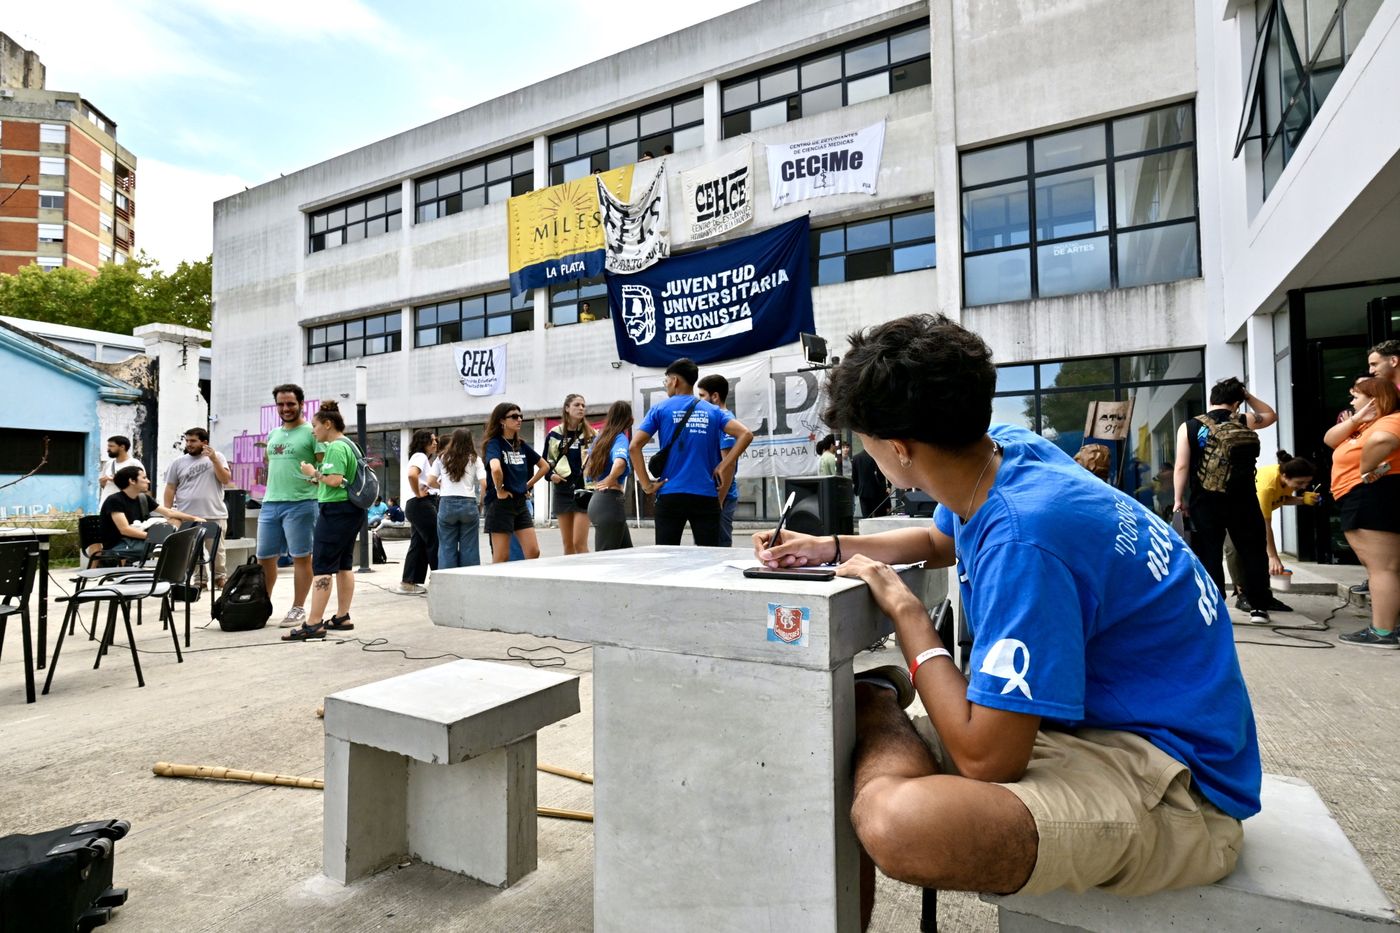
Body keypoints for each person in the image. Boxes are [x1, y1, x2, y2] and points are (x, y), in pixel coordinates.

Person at [754, 314, 1259, 922]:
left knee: (896, 823)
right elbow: (943, 541)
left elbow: (989, 762)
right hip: (1109, 726)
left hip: (1177, 783)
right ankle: (880, 717)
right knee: (851, 725)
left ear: (897, 449)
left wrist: (908, 614)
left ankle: (884, 734)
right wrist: (834, 546)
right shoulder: (1008, 452)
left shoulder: (1025, 540)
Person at [1172, 377, 1277, 625]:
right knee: (1252, 551)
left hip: (1205, 500)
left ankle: (1214, 606)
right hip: (1244, 498)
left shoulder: (1190, 426)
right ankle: (1258, 607)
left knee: (1210, 552)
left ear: (1211, 399)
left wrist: (1178, 499)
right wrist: (1247, 396)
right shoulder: (1243, 420)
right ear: (1237, 402)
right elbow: (1269, 415)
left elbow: (1182, 466)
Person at [630, 358, 753, 547]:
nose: (666, 386)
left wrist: (646, 485)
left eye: (666, 381)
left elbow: (634, 446)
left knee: (666, 556)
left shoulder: (660, 409)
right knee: (709, 558)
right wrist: (724, 465)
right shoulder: (713, 411)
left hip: (670, 493)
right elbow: (746, 434)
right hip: (706, 494)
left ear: (675, 381)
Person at [1324, 377, 1400, 648]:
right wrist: (1357, 419)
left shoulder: (1390, 421)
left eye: (1356, 396)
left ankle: (1383, 632)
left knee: (1382, 568)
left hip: (1371, 497)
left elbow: (1382, 440)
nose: (1352, 402)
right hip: (1363, 497)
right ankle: (1388, 626)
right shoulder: (1366, 423)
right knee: (1381, 568)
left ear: (1374, 399)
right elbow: (1330, 439)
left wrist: (1365, 469)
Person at [283, 401, 363, 641]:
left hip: (337, 510)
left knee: (323, 565)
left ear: (328, 424)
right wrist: (320, 479)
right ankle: (342, 616)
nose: (313, 430)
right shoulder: (350, 445)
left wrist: (314, 473)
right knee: (344, 564)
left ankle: (314, 623)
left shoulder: (336, 447)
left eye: (315, 426)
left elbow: (336, 479)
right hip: (351, 510)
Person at [257, 384, 321, 628]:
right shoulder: (273, 434)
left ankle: (298, 608)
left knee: (301, 557)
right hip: (270, 503)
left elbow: (322, 469)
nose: (285, 408)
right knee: (264, 558)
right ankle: (262, 603)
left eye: (291, 404)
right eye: (281, 404)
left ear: (301, 404)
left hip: (301, 503)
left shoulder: (310, 433)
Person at [1225, 451, 1317, 602]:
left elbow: (1281, 498)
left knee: (1258, 552)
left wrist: (1302, 500)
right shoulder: (1267, 486)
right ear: (1285, 476)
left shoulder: (1286, 479)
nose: (1303, 486)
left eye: (1306, 483)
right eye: (1300, 483)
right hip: (1233, 511)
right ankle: (1242, 594)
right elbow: (1265, 526)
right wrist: (1273, 557)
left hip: (1253, 512)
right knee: (1235, 551)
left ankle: (1263, 595)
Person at [163, 427, 232, 588]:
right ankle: (199, 579)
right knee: (192, 551)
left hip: (214, 514)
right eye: (187, 441)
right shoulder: (178, 462)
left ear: (204, 442)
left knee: (217, 551)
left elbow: (225, 479)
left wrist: (214, 459)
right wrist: (168, 513)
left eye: (193, 441)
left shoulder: (218, 457)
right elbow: (170, 487)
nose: (189, 444)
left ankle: (220, 578)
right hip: (187, 516)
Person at [93, 466, 204, 564]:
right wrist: (156, 537)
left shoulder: (143, 498)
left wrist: (193, 518)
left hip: (141, 539)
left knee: (175, 520)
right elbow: (125, 530)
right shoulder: (114, 500)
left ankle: (170, 574)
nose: (148, 481)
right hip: (120, 544)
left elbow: (169, 512)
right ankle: (170, 578)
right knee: (174, 547)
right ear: (132, 480)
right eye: (144, 478)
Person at [535, 394, 596, 555]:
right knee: (568, 545)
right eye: (577, 405)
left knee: (579, 543)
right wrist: (551, 476)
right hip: (562, 491)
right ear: (567, 408)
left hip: (584, 491)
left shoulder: (592, 434)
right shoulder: (555, 433)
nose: (581, 408)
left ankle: (588, 576)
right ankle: (570, 577)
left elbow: (601, 461)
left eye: (583, 405)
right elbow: (545, 463)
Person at [484, 402, 543, 563]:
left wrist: (527, 485)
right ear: (501, 421)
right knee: (502, 556)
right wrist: (500, 489)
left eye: (521, 416)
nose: (519, 420)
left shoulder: (521, 445)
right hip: (500, 504)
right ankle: (496, 587)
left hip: (520, 502)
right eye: (514, 416)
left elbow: (544, 466)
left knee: (533, 551)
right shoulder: (494, 443)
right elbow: (495, 468)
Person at [429, 427, 486, 569]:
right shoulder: (475, 459)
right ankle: (469, 581)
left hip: (446, 503)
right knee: (470, 547)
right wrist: (481, 503)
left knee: (447, 546)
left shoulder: (442, 457)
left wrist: (442, 487)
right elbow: (484, 483)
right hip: (468, 503)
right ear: (470, 441)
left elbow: (430, 481)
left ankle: (448, 582)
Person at [696, 374, 740, 547]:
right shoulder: (716, 418)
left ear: (715, 396)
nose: (698, 401)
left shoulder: (725, 420)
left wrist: (719, 501)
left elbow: (728, 465)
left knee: (718, 548)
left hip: (722, 496)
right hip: (711, 494)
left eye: (701, 396)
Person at [585, 401, 634, 551]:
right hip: (610, 502)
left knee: (627, 555)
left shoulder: (600, 438)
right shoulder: (620, 438)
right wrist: (610, 479)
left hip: (600, 502)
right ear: (628, 419)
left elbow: (587, 468)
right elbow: (619, 463)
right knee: (605, 561)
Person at [396, 430, 439, 595]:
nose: (435, 443)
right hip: (421, 504)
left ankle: (408, 582)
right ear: (423, 442)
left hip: (417, 505)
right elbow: (412, 475)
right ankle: (440, 579)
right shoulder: (420, 456)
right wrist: (419, 493)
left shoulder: (422, 458)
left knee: (419, 544)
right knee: (435, 540)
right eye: (432, 440)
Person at [98, 435, 144, 503]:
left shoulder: (134, 463)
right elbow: (103, 485)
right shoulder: (109, 464)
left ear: (122, 447)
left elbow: (142, 484)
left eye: (111, 446)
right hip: (106, 502)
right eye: (108, 446)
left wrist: (118, 480)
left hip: (126, 503)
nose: (108, 449)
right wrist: (102, 482)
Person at [852, 447, 891, 518]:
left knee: (866, 516)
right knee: (879, 517)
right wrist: (888, 486)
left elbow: (854, 477)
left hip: (863, 492)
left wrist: (858, 488)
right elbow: (885, 474)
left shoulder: (856, 458)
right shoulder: (878, 457)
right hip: (878, 491)